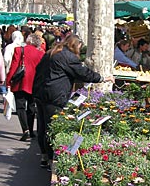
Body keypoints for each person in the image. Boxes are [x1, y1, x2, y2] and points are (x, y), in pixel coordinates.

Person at [33, 34, 114, 171]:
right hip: (54, 95)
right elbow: (83, 73)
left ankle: (44, 157)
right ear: (76, 45)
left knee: (42, 126)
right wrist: (102, 78)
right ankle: (52, 160)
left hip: (41, 92)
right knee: (52, 128)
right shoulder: (68, 57)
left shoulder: (51, 53)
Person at [6, 33, 45, 141]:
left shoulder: (19, 50)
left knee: (20, 106)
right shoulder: (41, 54)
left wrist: (8, 80)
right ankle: (31, 130)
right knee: (31, 107)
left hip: (21, 81)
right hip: (34, 83)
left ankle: (25, 129)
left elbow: (14, 66)